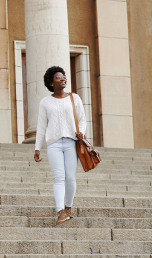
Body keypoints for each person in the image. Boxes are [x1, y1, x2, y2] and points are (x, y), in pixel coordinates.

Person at [33, 66, 86, 225]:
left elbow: (82, 119)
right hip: (54, 144)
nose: (63, 79)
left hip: (71, 142)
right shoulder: (45, 102)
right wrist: (37, 147)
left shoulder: (74, 98)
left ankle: (68, 207)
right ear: (51, 83)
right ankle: (60, 211)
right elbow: (42, 126)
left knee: (70, 177)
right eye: (58, 77)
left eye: (64, 77)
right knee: (58, 178)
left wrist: (81, 133)